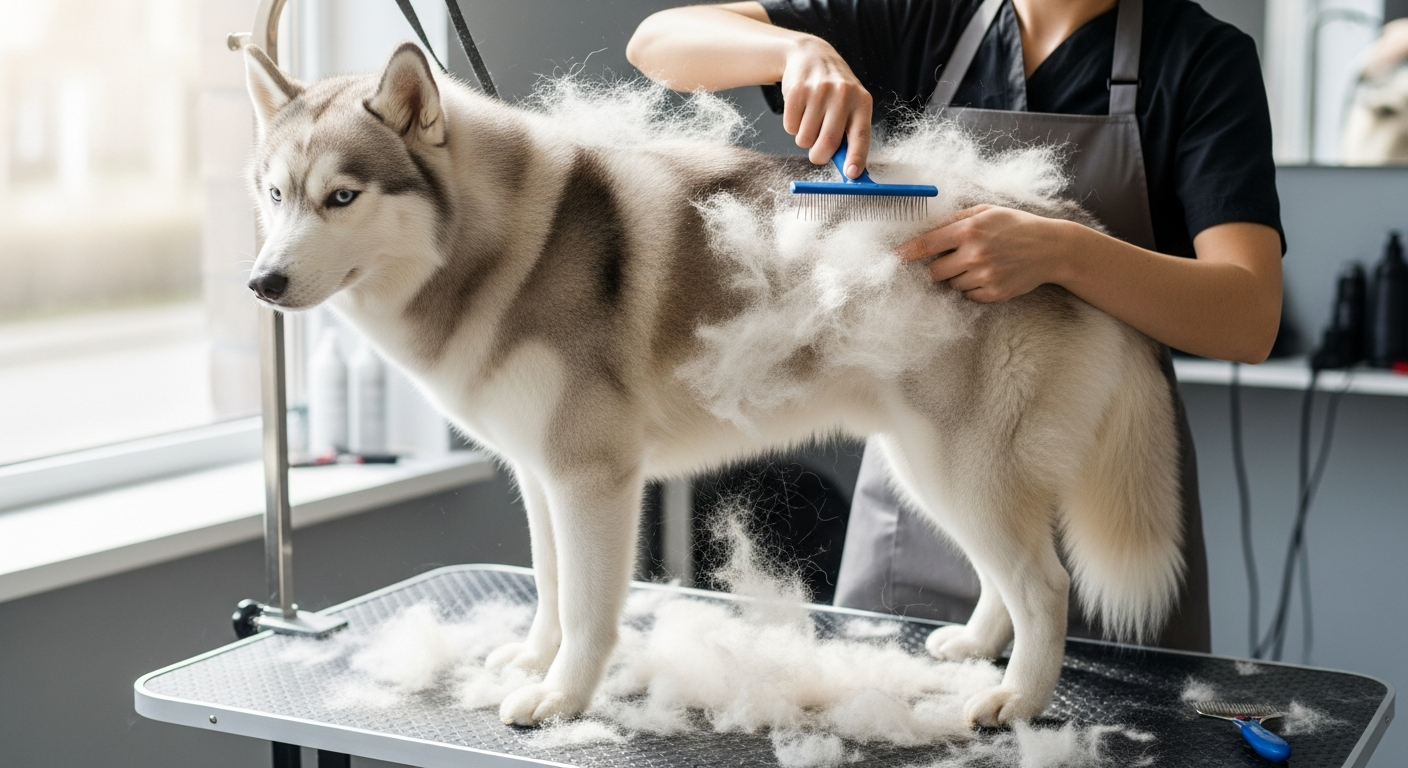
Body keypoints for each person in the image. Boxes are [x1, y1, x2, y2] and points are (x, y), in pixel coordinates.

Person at [627, 0, 1284, 652]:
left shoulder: (1202, 59)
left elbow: (1247, 318)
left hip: (1101, 473)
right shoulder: (924, 18)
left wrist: (1066, 252)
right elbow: (657, 41)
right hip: (918, 504)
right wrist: (798, 50)